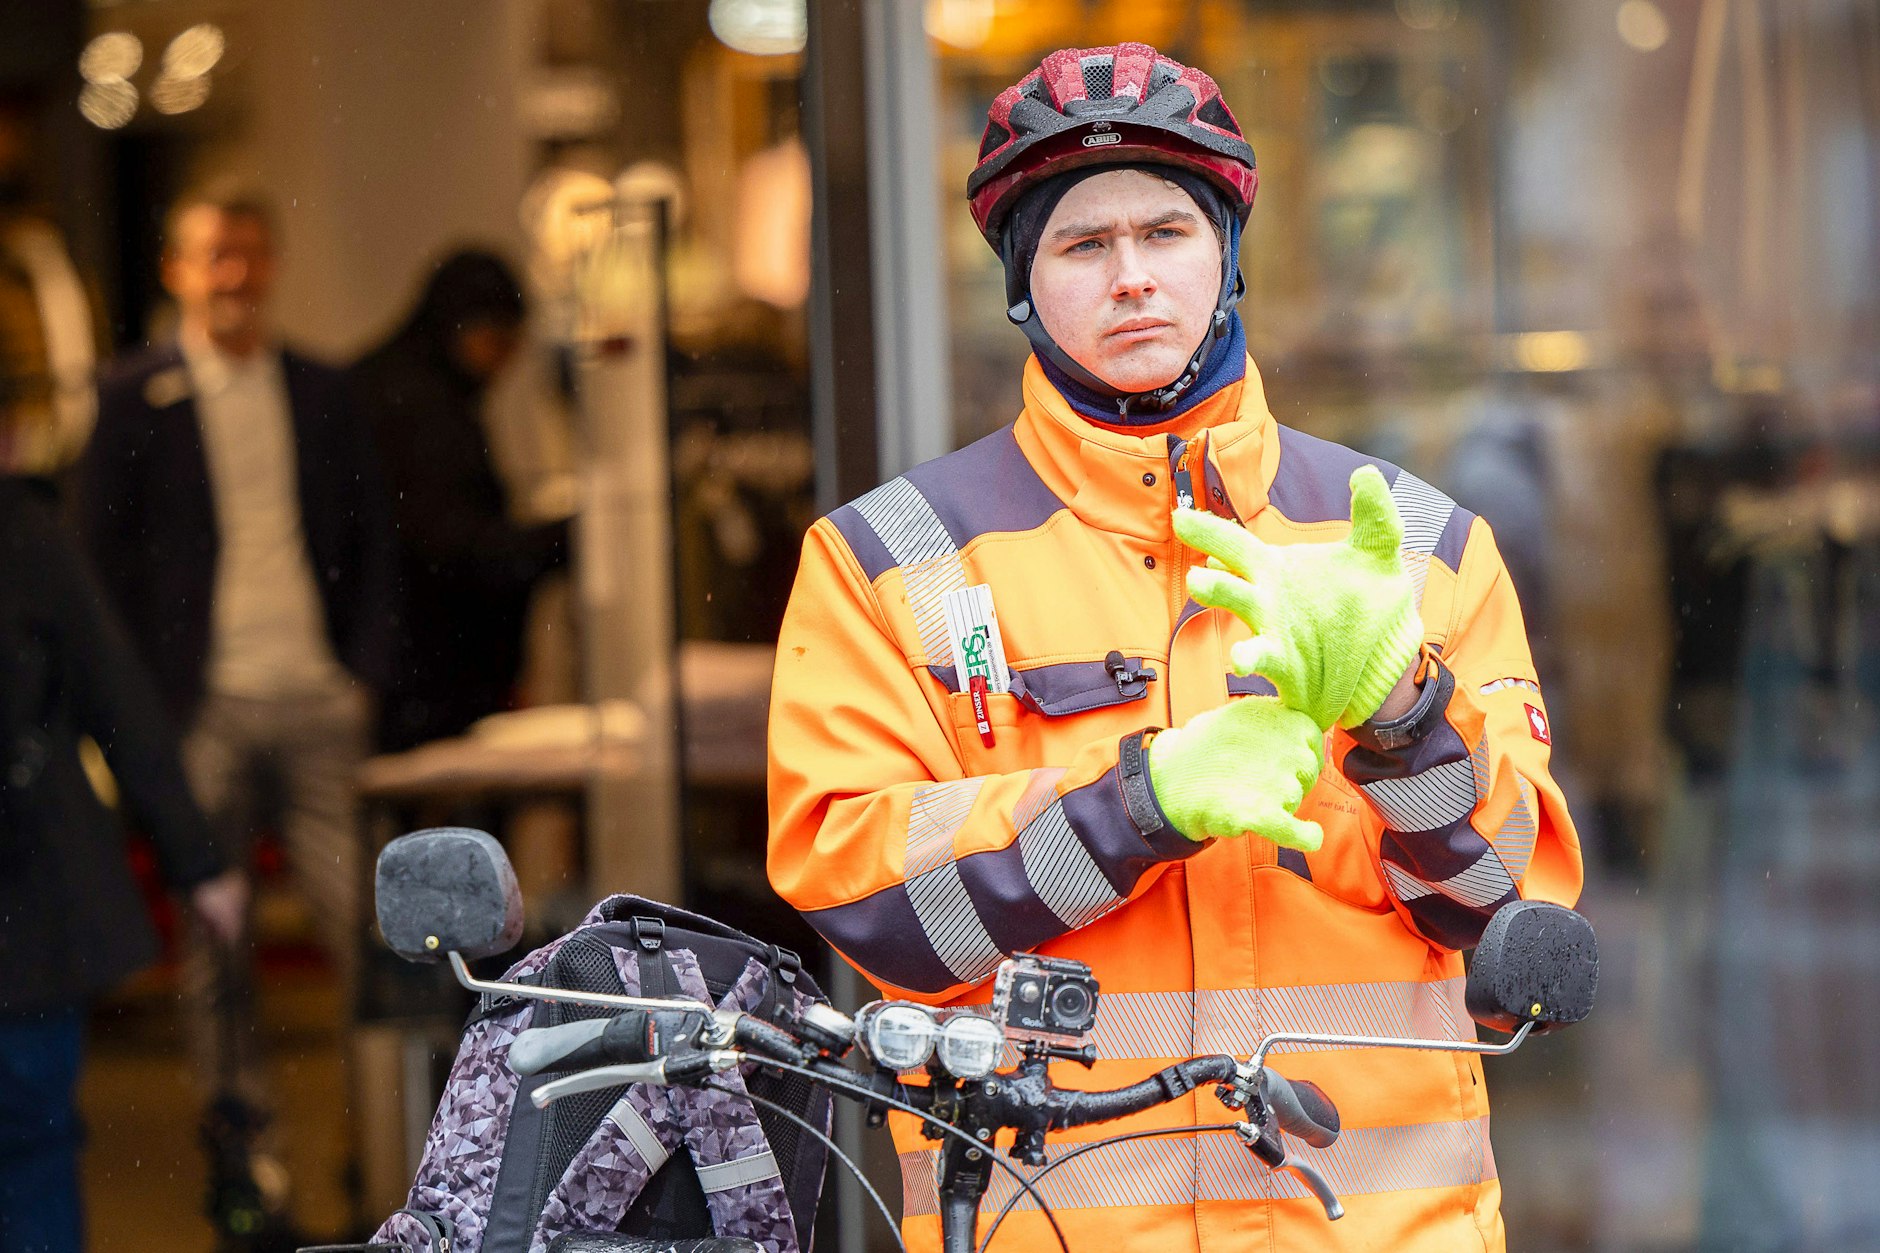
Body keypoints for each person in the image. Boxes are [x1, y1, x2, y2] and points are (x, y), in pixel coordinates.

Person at [767, 44, 1583, 1252]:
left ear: (1227, 255)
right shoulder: (889, 559)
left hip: (1379, 1229)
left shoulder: (1414, 544)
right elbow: (865, 896)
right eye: (1081, 245)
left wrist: (1405, 714)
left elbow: (1502, 904)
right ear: (1021, 283)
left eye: (1167, 232)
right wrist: (1131, 806)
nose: (1132, 278)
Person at [72, 184, 395, 1193]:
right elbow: (99, 563)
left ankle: (376, 1151)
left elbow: (371, 545)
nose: (236, 275)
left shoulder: (317, 387)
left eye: (251, 254)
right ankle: (244, 1160)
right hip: (201, 706)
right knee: (218, 943)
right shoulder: (134, 396)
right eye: (215, 255)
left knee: (364, 928)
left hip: (313, 695)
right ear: (176, 269)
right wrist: (140, 712)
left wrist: (363, 679)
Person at [0, 474, 246, 1253]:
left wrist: (197, 857)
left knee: (30, 1136)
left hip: (25, 900)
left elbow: (111, 689)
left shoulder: (22, 530)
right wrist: (198, 861)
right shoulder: (20, 532)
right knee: (30, 1144)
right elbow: (112, 687)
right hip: (25, 899)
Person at [349, 249, 567, 752]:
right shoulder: (418, 408)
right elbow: (453, 545)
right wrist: (565, 538)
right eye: (498, 339)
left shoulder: (400, 388)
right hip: (426, 680)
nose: (505, 360)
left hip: (412, 671)